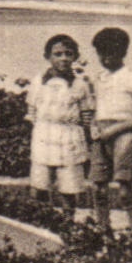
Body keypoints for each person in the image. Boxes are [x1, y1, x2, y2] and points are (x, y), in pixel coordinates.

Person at [86, 26, 132, 232]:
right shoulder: (99, 77)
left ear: (123, 52)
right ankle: (102, 228)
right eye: (101, 54)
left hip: (125, 132)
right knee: (98, 187)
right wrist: (94, 127)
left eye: (110, 53)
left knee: (124, 188)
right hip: (101, 132)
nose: (105, 59)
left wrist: (114, 130)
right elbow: (94, 108)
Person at [25, 33, 93, 211]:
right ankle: (39, 225)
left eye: (68, 54)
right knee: (39, 186)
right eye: (58, 54)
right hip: (43, 136)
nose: (63, 58)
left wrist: (86, 137)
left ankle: (67, 225)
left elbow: (86, 116)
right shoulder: (38, 82)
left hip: (69, 137)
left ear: (75, 57)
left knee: (68, 188)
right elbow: (31, 111)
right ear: (47, 57)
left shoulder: (80, 85)